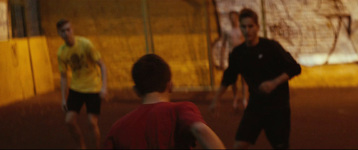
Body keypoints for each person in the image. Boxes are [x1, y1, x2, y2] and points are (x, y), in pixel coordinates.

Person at [209, 8, 301, 149]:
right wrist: (216, 99)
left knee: (280, 146)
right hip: (256, 105)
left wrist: (274, 83)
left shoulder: (271, 47)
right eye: (244, 27)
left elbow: (294, 68)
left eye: (250, 26)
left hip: (277, 107)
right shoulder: (238, 53)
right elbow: (229, 77)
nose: (247, 30)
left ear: (257, 27)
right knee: (239, 144)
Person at [103, 54, 225, 149]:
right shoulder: (180, 110)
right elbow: (199, 129)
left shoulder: (118, 128)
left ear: (136, 91)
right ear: (170, 85)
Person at [57, 19, 108, 149]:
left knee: (92, 123)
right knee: (69, 121)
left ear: (72, 30)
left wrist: (104, 87)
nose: (66, 33)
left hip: (93, 88)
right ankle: (82, 147)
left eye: (68, 30)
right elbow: (63, 77)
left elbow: (102, 65)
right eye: (63, 31)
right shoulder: (61, 52)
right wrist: (63, 98)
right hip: (76, 88)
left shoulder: (85, 44)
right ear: (59, 33)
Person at [219, 11, 248, 110]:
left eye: (234, 17)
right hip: (232, 56)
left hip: (243, 56)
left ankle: (244, 99)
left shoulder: (242, 30)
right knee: (233, 80)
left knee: (244, 79)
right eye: (231, 18)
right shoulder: (227, 31)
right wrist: (221, 59)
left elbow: (246, 43)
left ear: (238, 18)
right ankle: (235, 98)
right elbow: (223, 45)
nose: (233, 19)